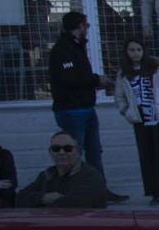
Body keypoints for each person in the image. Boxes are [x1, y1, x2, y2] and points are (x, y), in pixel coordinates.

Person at [47, 10, 118, 192]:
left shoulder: (76, 46)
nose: (87, 29)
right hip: (71, 109)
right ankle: (74, 191)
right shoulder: (63, 49)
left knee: (95, 152)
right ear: (79, 26)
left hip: (85, 107)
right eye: (85, 25)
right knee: (72, 153)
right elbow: (69, 78)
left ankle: (99, 190)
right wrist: (96, 80)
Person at [108, 38, 159, 206]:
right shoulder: (123, 72)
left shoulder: (157, 66)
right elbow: (119, 96)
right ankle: (153, 190)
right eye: (132, 50)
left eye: (138, 49)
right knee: (146, 154)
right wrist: (126, 111)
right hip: (139, 119)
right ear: (126, 52)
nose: (136, 53)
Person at [25, 130, 111, 207]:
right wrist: (44, 198)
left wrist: (36, 203)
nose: (61, 152)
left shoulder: (91, 177)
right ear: (50, 152)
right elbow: (20, 198)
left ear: (78, 151)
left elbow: (70, 206)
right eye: (56, 149)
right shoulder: (46, 175)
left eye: (68, 149)